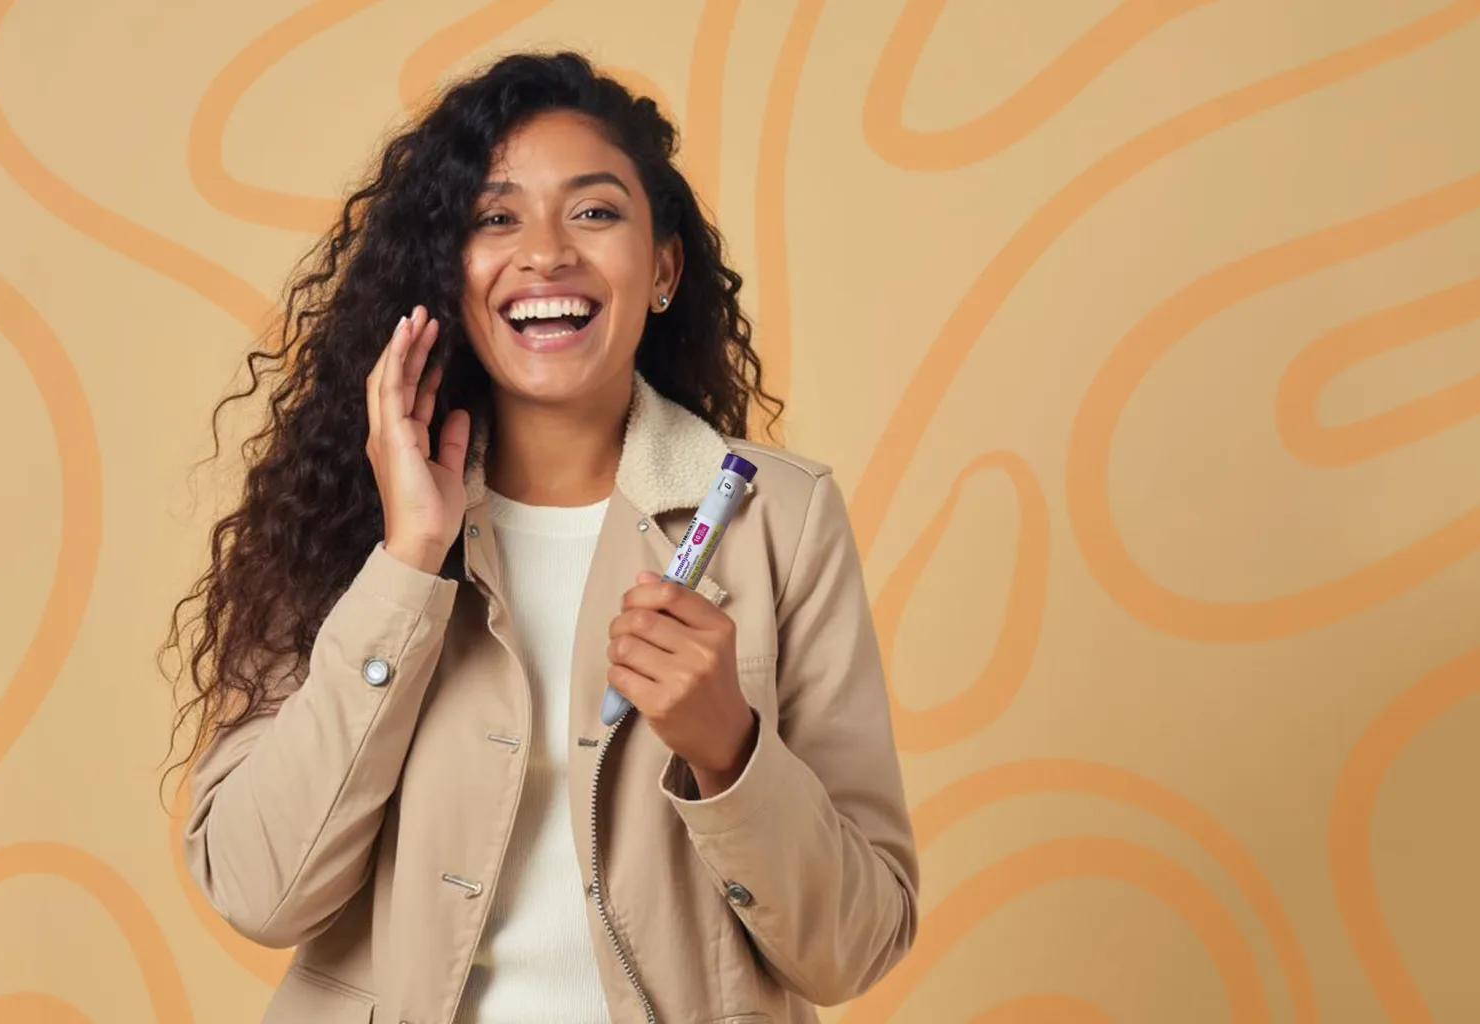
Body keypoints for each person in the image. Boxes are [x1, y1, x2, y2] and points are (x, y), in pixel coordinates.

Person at [165, 50, 917, 1024]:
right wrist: (405, 565)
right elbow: (258, 891)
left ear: (662, 267)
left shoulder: (780, 515)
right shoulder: (343, 518)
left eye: (595, 211)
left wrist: (729, 750)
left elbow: (854, 947)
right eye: (494, 217)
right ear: (447, 268)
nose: (549, 252)